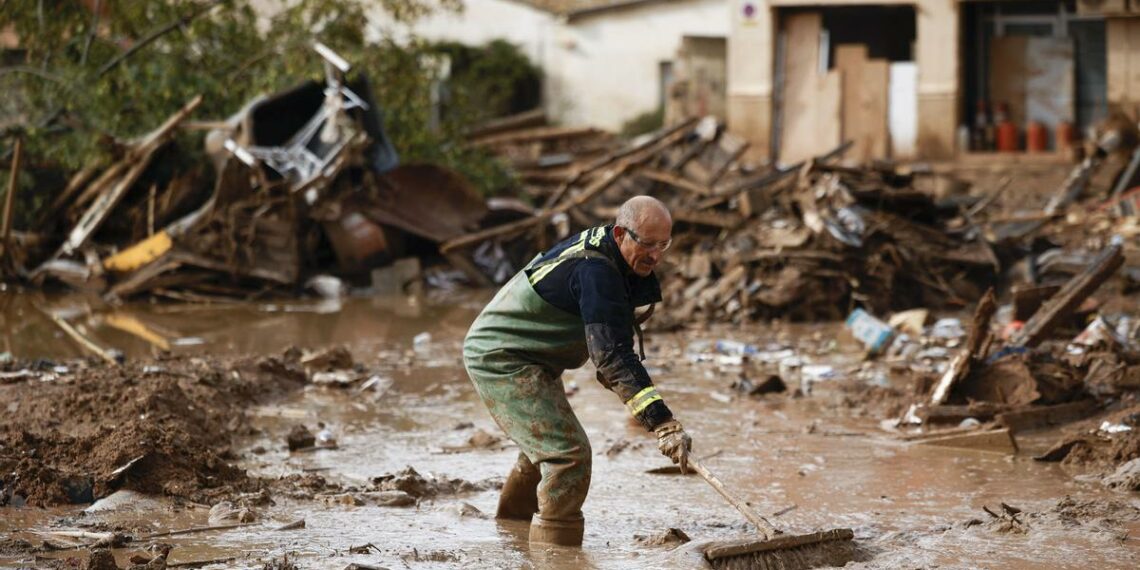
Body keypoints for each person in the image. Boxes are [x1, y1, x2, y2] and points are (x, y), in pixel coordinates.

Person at [463, 195, 692, 547]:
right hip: (502, 357)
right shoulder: (597, 272)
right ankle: (556, 553)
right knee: (568, 456)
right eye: (647, 244)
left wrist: (642, 405)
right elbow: (611, 356)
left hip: (533, 355)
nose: (655, 255)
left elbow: (614, 351)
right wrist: (662, 422)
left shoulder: (616, 255)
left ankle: (512, 533)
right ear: (620, 234)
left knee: (542, 448)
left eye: (663, 245)